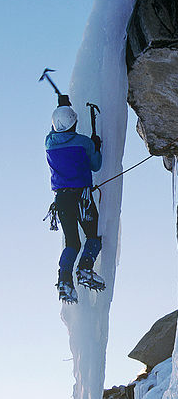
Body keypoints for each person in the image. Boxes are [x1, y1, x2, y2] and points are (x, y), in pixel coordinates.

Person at [45, 95, 105, 304]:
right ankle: (85, 270)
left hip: (61, 200)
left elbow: (56, 130)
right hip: (82, 198)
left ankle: (64, 281)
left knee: (72, 242)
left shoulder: (49, 143)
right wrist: (97, 146)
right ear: (75, 123)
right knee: (93, 237)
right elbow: (96, 165)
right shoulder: (84, 143)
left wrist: (62, 106)